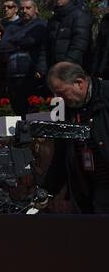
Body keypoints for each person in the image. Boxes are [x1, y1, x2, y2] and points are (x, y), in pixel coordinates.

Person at [40, 62, 109, 213]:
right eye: (55, 94)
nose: (59, 99)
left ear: (79, 83)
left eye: (62, 93)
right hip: (88, 189)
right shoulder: (64, 110)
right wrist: (48, 190)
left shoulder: (106, 95)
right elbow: (61, 154)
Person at [0, 0, 47, 115]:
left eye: (28, 8)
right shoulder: (12, 27)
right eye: (22, 8)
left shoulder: (42, 25)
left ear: (35, 9)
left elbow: (38, 44)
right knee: (18, 111)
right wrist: (23, 42)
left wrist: (16, 41)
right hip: (13, 75)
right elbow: (3, 47)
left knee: (35, 110)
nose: (24, 11)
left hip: (32, 74)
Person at [46, 0, 91, 68]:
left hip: (71, 68)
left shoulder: (79, 15)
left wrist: (68, 62)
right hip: (54, 67)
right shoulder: (53, 19)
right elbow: (46, 44)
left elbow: (79, 43)